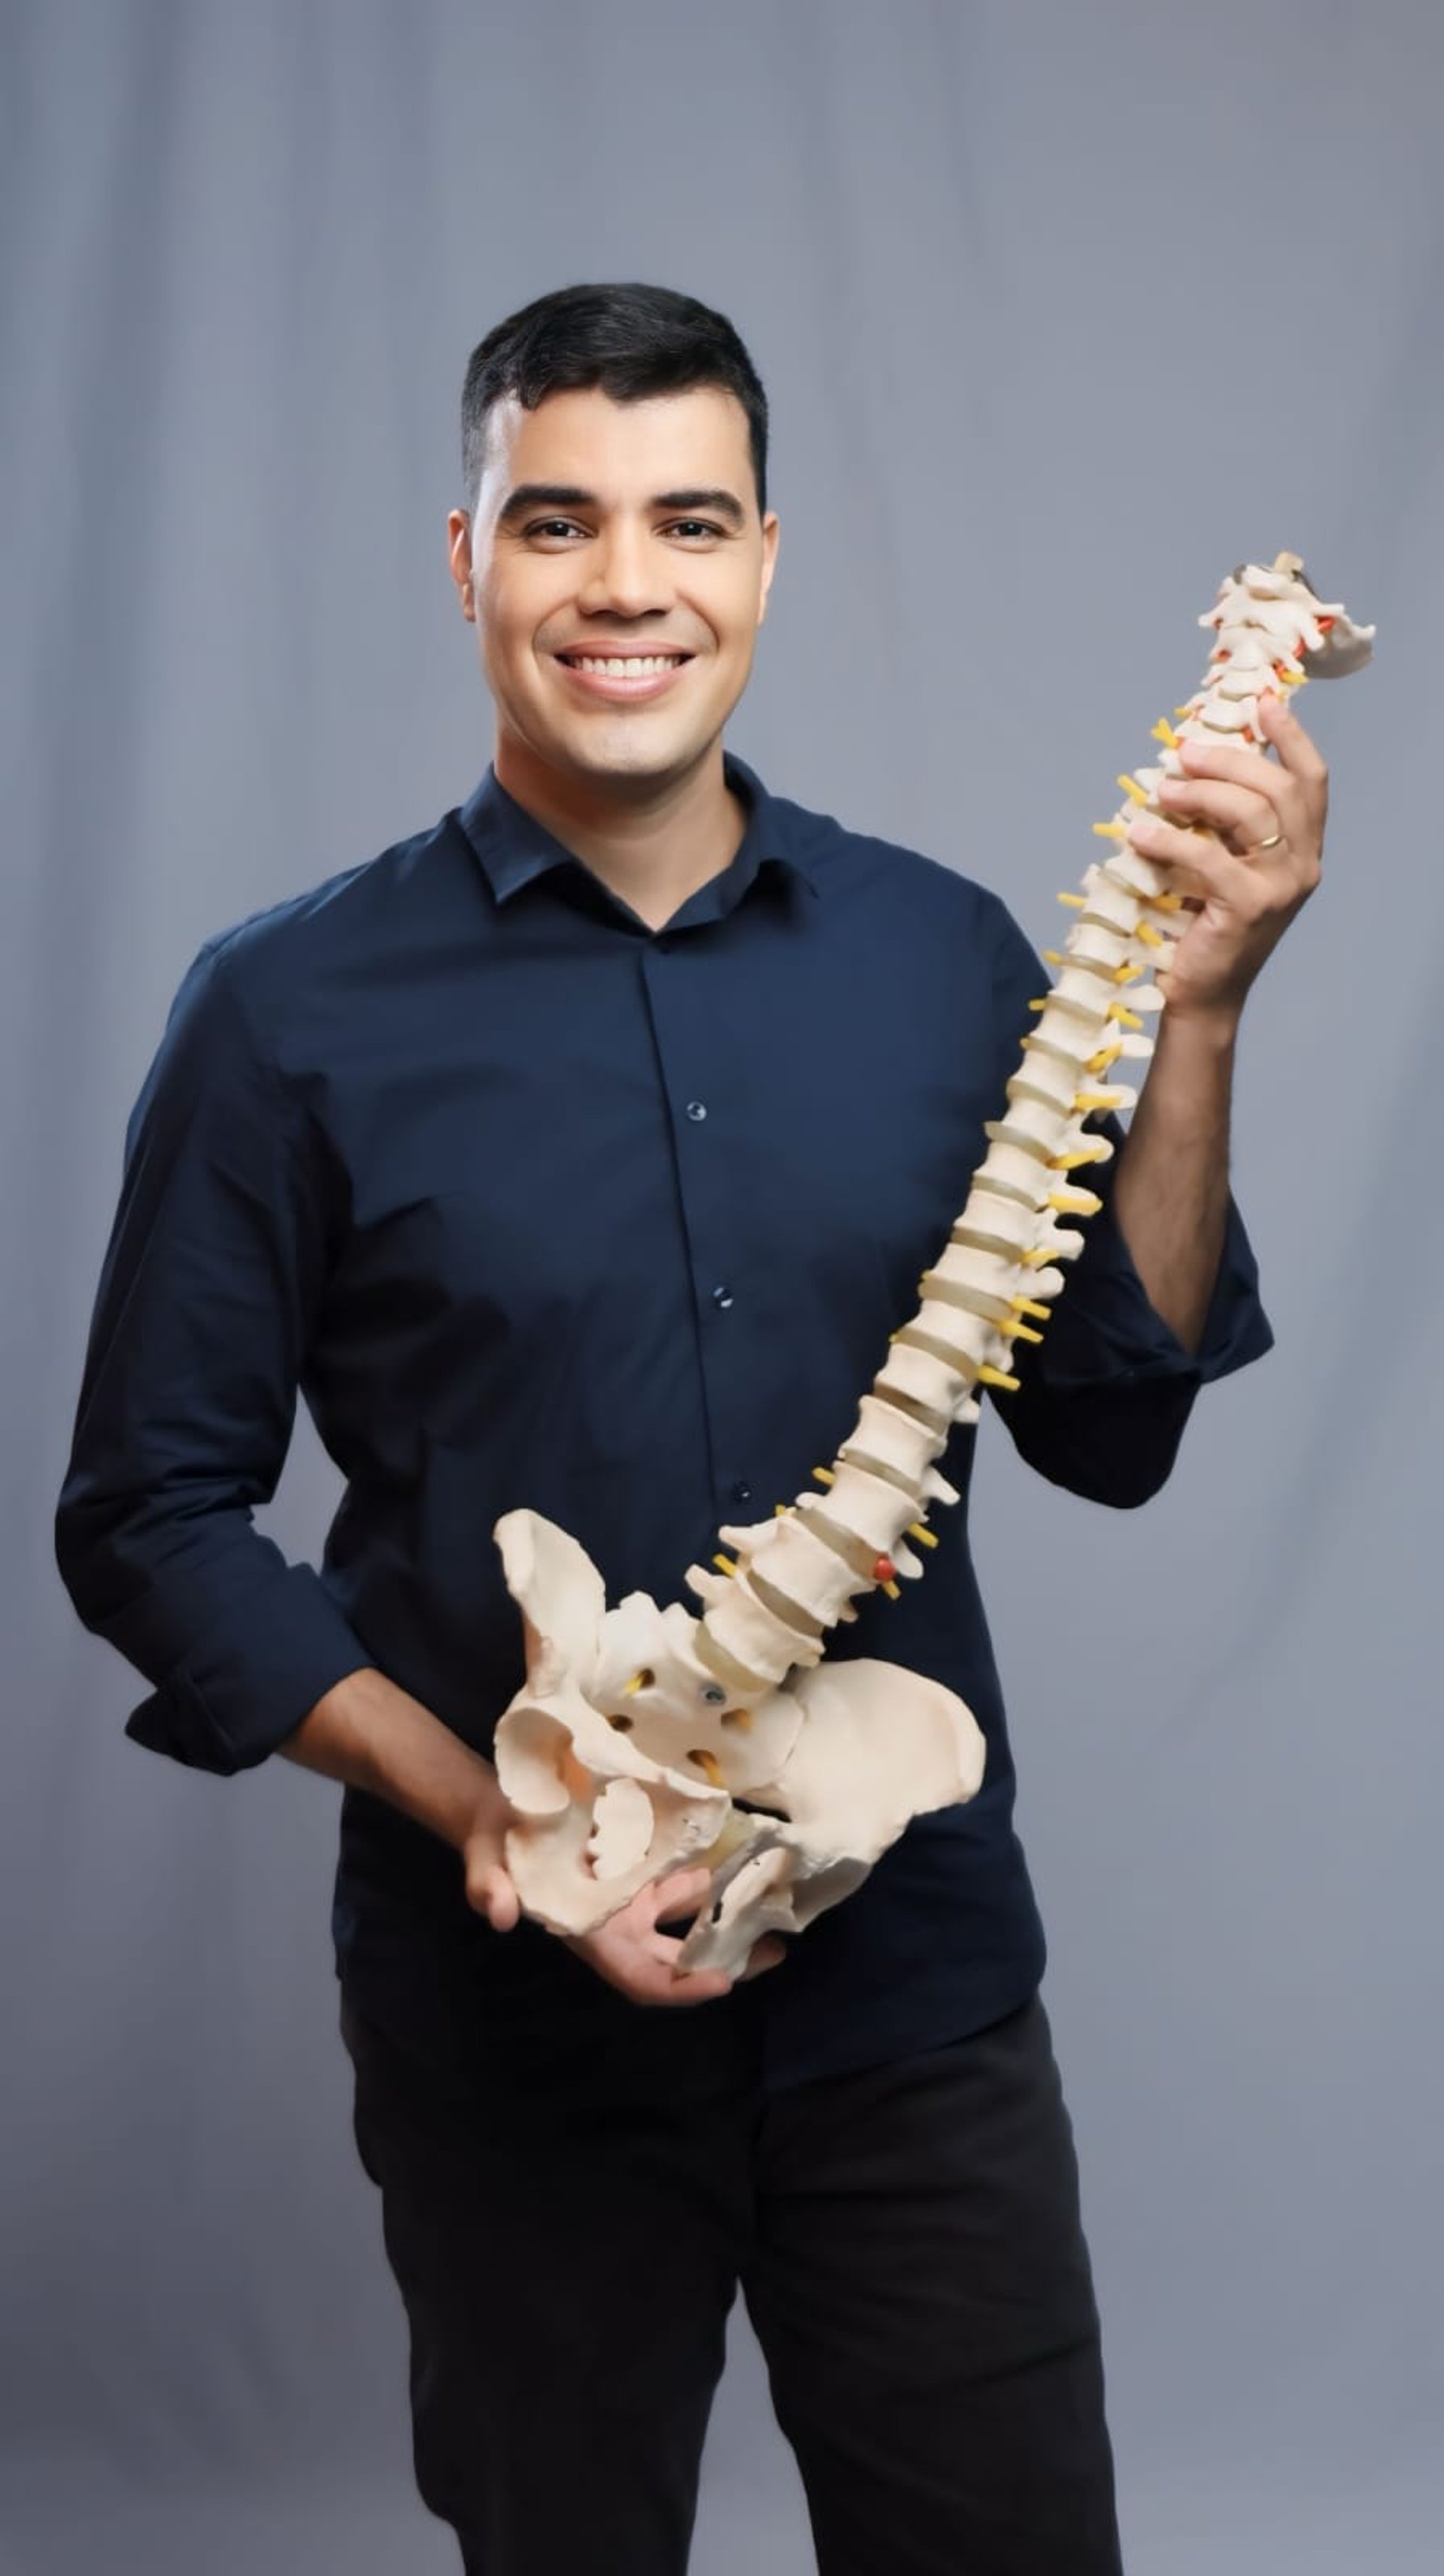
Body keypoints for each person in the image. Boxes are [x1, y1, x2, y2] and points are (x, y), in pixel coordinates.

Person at [54, 282, 1326, 2574]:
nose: (626, 585)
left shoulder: (945, 962)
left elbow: (1112, 1430)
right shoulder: (286, 1011)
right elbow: (147, 1509)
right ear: (470, 565)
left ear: (763, 560)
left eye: (688, 522)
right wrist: (488, 1815)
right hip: (513, 2016)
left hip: (915, 1993)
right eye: (557, 524)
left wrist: (1202, 1015)